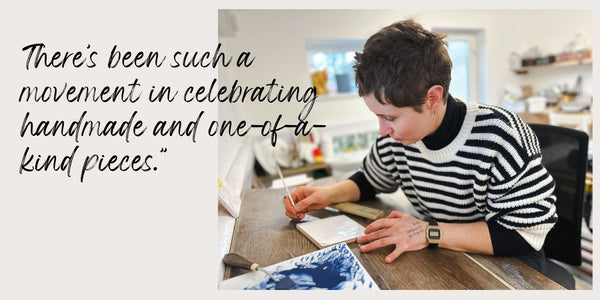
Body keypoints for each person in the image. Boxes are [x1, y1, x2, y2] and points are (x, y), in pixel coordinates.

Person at [283, 20, 557, 275]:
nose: (383, 131)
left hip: (510, 266)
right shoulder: (398, 139)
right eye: (378, 116)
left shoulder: (501, 135)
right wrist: (327, 194)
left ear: (433, 99)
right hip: (445, 254)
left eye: (390, 117)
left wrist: (428, 233)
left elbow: (524, 234)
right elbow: (370, 179)